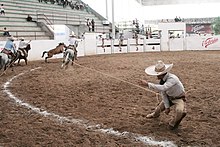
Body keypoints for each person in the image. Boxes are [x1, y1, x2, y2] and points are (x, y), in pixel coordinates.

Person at [139, 60, 187, 130]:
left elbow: (164, 88)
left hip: (179, 98)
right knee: (158, 109)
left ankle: (173, 123)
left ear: (162, 74)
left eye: (157, 74)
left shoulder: (172, 78)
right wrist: (167, 107)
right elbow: (163, 94)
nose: (156, 76)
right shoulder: (162, 81)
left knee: (180, 111)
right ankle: (155, 115)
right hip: (169, 97)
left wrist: (148, 84)